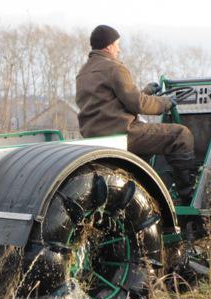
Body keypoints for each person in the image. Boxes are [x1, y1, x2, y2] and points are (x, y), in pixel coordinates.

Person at [75, 25, 196, 200]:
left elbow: (110, 103)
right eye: (117, 44)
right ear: (108, 46)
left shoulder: (83, 73)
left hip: (97, 135)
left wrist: (146, 91)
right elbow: (138, 104)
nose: (119, 49)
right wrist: (164, 103)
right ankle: (187, 196)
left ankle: (149, 192)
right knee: (180, 135)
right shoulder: (114, 68)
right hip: (124, 133)